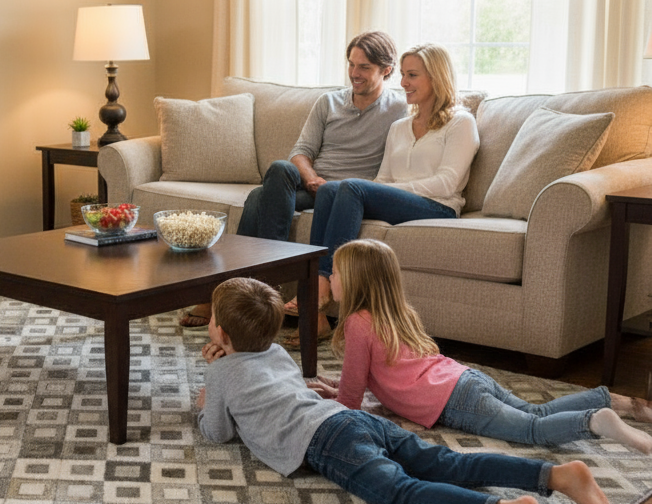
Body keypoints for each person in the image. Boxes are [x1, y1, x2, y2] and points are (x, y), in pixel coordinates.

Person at [195, 277, 614, 504]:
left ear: (224, 336)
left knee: (401, 492)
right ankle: (557, 475)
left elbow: (217, 432)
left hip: (327, 442)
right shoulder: (276, 354)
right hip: (350, 418)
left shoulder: (222, 373)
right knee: (448, 462)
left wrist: (206, 400)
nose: (210, 322)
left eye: (213, 318)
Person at [318, 239, 652, 453]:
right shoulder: (394, 313)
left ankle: (596, 421)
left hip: (454, 400)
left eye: (334, 272)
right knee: (536, 412)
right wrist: (337, 387)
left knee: (533, 430)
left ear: (355, 281)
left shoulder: (357, 323)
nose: (330, 278)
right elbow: (374, 379)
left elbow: (351, 401)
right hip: (465, 378)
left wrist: (328, 402)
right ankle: (623, 403)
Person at [178, 30, 407, 328]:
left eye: (364, 67)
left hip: (345, 193)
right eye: (351, 64)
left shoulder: (399, 110)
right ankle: (267, 283)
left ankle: (229, 294)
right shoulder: (330, 102)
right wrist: (311, 178)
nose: (354, 74)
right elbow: (301, 151)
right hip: (311, 185)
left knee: (259, 198)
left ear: (386, 70)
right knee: (279, 168)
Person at [307, 43, 479, 340]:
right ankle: (319, 310)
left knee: (351, 187)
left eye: (412, 75)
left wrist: (391, 190)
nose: (403, 83)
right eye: (402, 74)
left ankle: (322, 283)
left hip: (437, 206)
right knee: (329, 191)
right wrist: (385, 190)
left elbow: (448, 182)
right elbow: (383, 177)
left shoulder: (460, 122)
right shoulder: (399, 127)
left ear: (436, 78)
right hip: (400, 203)